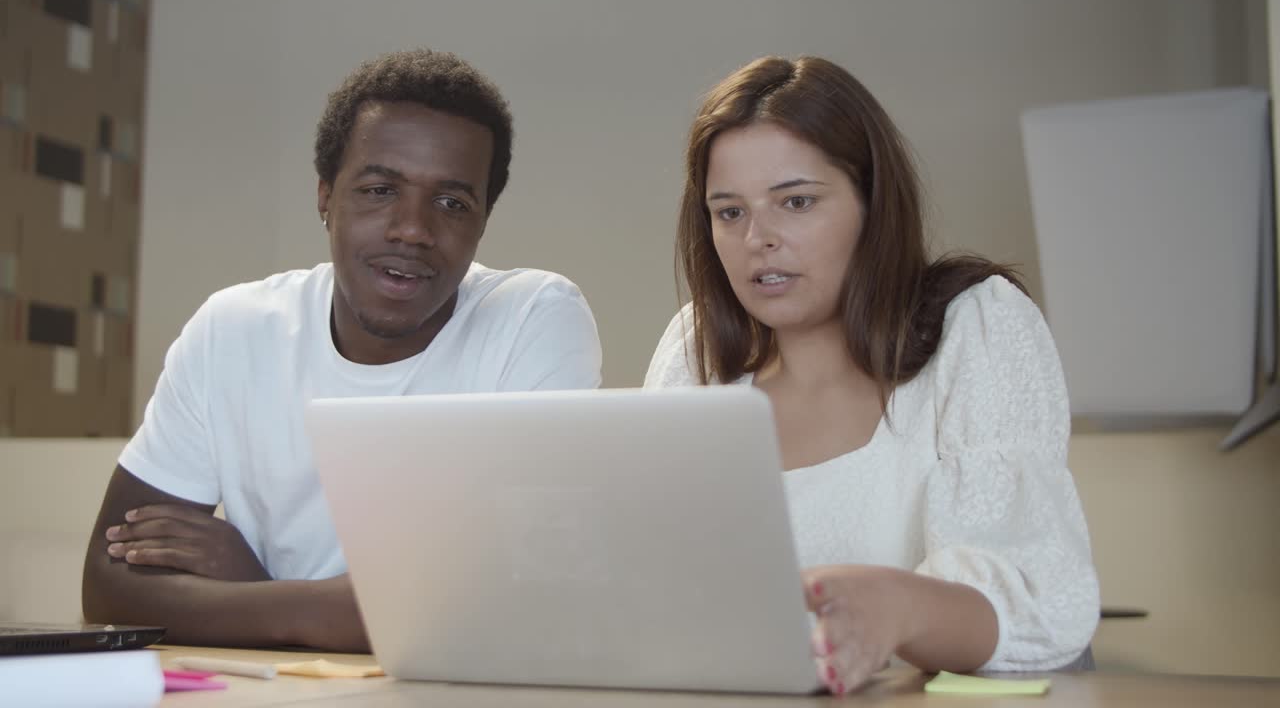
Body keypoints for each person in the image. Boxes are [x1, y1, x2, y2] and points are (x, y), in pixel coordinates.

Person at [82, 49, 602, 651]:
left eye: (453, 202)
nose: (413, 229)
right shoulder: (233, 328)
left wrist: (259, 584)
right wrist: (336, 609)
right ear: (325, 196)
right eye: (380, 189)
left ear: (484, 218)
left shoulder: (533, 318)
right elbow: (109, 587)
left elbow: (508, 604)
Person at [645, 56, 1098, 694]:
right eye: (729, 212)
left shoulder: (977, 325)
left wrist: (893, 607)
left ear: (872, 203)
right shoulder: (695, 354)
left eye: (796, 201)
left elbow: (1040, 602)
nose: (758, 239)